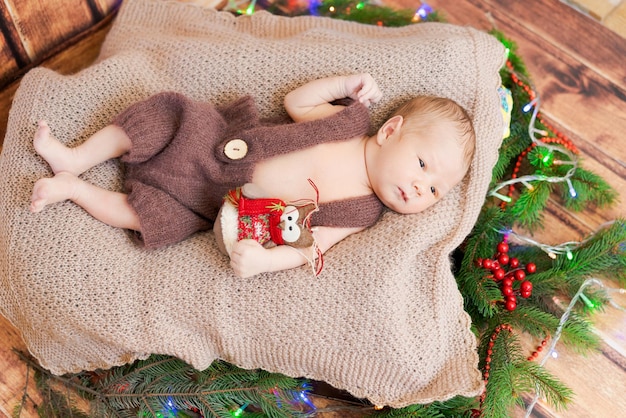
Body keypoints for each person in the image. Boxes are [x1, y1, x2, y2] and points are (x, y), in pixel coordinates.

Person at [29, 73, 475, 278]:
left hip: (210, 203)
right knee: (166, 114)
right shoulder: (350, 123)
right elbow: (297, 104)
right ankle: (77, 157)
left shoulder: (363, 211)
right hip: (216, 141)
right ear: (391, 131)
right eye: (422, 165)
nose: (421, 187)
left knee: (146, 218)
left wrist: (264, 261)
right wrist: (344, 87)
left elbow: (311, 247)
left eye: (435, 190)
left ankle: (74, 189)